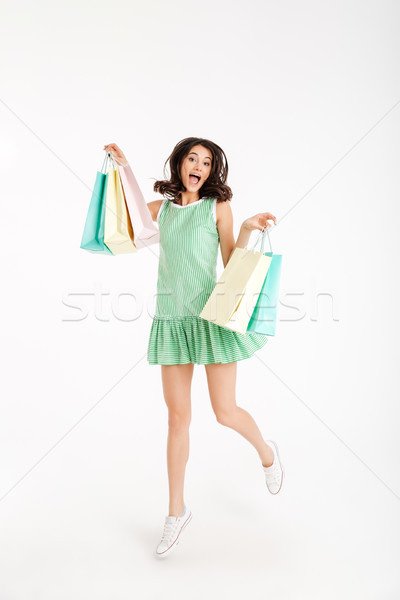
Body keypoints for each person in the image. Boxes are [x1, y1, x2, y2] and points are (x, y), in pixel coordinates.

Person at [103, 137, 284, 559]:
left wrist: (244, 230)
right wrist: (123, 169)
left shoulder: (216, 208)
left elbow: (231, 265)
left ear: (212, 171)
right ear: (180, 164)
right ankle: (175, 512)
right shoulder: (160, 209)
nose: (198, 166)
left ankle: (267, 452)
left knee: (225, 412)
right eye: (192, 159)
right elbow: (127, 219)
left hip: (210, 319)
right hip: (172, 320)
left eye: (206, 162)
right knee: (177, 419)